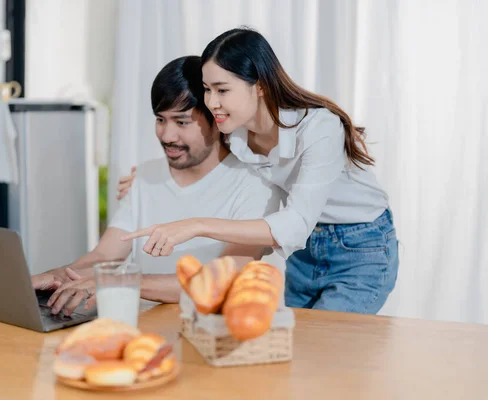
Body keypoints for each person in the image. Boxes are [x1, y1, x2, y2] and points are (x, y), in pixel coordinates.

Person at [120, 28, 399, 314]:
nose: (212, 102)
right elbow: (198, 157)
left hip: (360, 245)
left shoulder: (320, 128)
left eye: (222, 90)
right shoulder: (232, 131)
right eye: (207, 89)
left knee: (328, 343)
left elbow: (296, 222)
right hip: (304, 254)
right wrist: (144, 179)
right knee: (299, 346)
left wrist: (197, 225)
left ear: (261, 85)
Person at [32, 55, 280, 316]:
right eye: (161, 119)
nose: (167, 136)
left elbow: (217, 281)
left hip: (213, 339)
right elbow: (104, 256)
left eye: (181, 122)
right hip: (142, 331)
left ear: (218, 119)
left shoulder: (255, 185)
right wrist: (54, 276)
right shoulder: (145, 177)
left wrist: (118, 282)